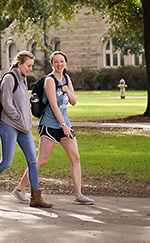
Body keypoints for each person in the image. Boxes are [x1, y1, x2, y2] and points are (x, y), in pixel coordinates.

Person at [0, 51, 52, 208]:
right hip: (9, 126)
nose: (30, 69)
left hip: (24, 128)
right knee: (6, 162)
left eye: (32, 66)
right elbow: (7, 103)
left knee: (33, 162)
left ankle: (35, 197)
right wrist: (18, 118)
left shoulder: (23, 80)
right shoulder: (9, 78)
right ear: (19, 64)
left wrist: (26, 120)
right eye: (28, 65)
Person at [14, 51, 94, 205]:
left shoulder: (66, 78)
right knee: (42, 160)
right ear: (52, 64)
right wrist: (63, 126)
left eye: (62, 61)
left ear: (65, 63)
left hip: (65, 124)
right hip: (50, 125)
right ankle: (19, 189)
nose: (59, 64)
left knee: (75, 158)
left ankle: (78, 195)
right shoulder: (49, 81)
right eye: (56, 62)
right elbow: (54, 105)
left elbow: (74, 101)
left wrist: (67, 90)